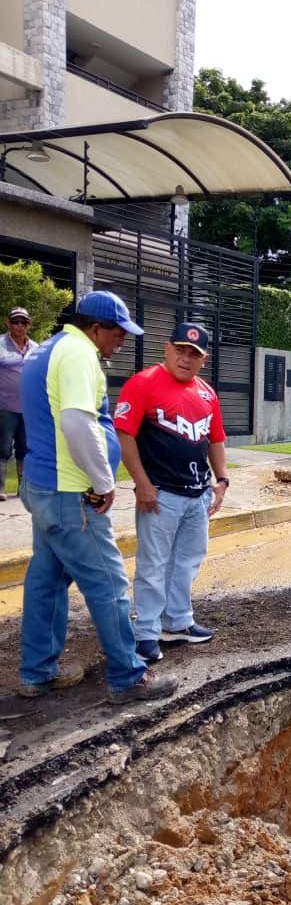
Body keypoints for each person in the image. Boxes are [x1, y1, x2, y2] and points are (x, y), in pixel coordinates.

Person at [18, 290, 177, 704]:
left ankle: (37, 673)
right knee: (108, 583)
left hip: (43, 486)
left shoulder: (48, 350)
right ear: (96, 328)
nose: (121, 342)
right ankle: (127, 677)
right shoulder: (79, 354)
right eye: (118, 333)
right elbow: (76, 423)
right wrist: (104, 481)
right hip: (70, 492)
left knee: (46, 582)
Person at [114, 323, 228, 664]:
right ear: (167, 349)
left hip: (197, 493)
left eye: (194, 354)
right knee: (153, 565)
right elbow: (125, 435)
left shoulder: (207, 393)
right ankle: (146, 632)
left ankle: (177, 621)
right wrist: (142, 482)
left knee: (188, 561)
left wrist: (222, 480)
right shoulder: (143, 384)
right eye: (180, 350)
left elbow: (216, 439)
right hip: (160, 493)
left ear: (203, 360)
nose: (185, 358)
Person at [0, 306, 38, 500]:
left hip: (28, 409)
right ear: (8, 323)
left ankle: (23, 489)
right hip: (4, 407)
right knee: (3, 449)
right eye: (16, 321)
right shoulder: (0, 344)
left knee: (25, 447)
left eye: (23, 322)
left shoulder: (36, 348)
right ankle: (0, 489)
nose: (19, 325)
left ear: (29, 325)